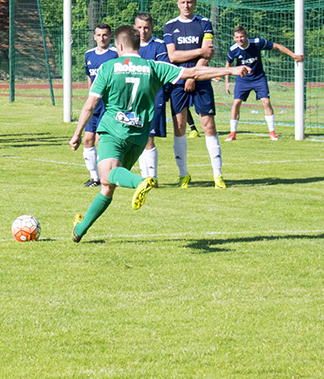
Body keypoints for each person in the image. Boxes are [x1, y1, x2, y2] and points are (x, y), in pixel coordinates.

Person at [69, 25, 250, 242]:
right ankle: (80, 230)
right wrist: (229, 70)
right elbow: (194, 72)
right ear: (138, 45)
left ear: (119, 45)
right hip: (138, 137)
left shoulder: (108, 67)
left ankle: (141, 182)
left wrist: (78, 132)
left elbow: (90, 105)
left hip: (113, 131)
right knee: (109, 186)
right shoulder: (154, 66)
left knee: (107, 176)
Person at [163, 0, 223, 189]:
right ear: (178, 4)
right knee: (179, 128)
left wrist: (194, 75)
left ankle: (217, 175)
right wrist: (198, 52)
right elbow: (173, 57)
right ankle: (184, 175)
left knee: (209, 126)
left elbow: (208, 54)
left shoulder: (204, 23)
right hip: (178, 81)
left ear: (195, 3)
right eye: (183, 2)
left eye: (189, 2)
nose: (186, 5)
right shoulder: (170, 26)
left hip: (202, 80)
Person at [224, 25, 304, 141]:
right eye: (237, 37)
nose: (239, 39)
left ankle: (272, 132)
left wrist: (293, 56)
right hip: (243, 79)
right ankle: (232, 133)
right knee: (236, 103)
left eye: (241, 37)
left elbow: (277, 46)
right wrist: (227, 82)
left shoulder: (256, 43)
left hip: (258, 78)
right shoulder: (233, 50)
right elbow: (228, 65)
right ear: (234, 38)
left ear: (246, 36)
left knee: (266, 101)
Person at [81, 24, 118, 187]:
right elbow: (90, 77)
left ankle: (108, 175)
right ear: (94, 37)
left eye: (105, 35)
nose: (102, 38)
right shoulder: (89, 55)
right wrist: (90, 97)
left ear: (110, 37)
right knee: (87, 139)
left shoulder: (116, 53)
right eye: (98, 35)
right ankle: (94, 177)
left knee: (100, 140)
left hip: (109, 104)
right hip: (95, 104)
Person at [134, 13, 168, 180]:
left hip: (154, 98)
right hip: (134, 100)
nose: (143, 31)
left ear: (152, 28)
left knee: (149, 138)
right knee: (139, 138)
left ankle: (152, 178)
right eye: (139, 27)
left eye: (146, 27)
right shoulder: (129, 46)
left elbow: (163, 72)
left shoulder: (159, 46)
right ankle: (143, 177)